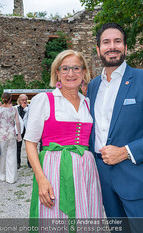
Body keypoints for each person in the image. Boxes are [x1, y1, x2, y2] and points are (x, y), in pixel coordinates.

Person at [86, 23, 143, 230]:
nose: (112, 46)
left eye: (117, 41)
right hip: (102, 177)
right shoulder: (92, 86)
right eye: (106, 42)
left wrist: (126, 152)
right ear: (98, 48)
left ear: (126, 47)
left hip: (136, 176)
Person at [24, 50, 104, 220]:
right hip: (54, 170)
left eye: (76, 68)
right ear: (57, 73)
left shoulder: (87, 103)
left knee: (85, 216)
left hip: (85, 171)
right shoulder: (44, 100)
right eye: (65, 69)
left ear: (84, 72)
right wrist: (41, 179)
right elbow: (30, 143)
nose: (71, 73)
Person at [0, 93, 22, 184]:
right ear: (10, 99)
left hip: (1, 135)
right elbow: (18, 123)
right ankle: (11, 178)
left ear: (2, 99)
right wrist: (19, 135)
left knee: (1, 156)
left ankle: (1, 175)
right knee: (12, 156)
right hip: (11, 134)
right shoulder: (14, 109)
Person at [15, 94, 30, 169]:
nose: (24, 101)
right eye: (22, 100)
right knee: (18, 148)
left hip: (28, 129)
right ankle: (18, 162)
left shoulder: (30, 107)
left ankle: (30, 162)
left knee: (29, 147)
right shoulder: (15, 108)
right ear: (19, 100)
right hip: (19, 130)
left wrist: (26, 108)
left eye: (25, 100)